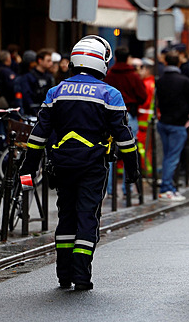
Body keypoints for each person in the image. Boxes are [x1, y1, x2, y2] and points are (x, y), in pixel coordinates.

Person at [20, 35, 140, 291]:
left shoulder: (56, 92)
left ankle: (63, 274)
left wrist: (28, 166)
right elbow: (124, 136)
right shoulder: (110, 93)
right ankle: (81, 276)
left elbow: (38, 134)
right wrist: (132, 167)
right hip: (93, 165)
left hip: (61, 164)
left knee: (66, 216)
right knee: (87, 217)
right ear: (101, 63)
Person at [156, 50, 189, 201]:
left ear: (165, 62)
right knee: (172, 158)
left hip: (163, 121)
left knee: (167, 156)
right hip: (178, 124)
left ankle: (169, 186)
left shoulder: (160, 80)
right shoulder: (183, 81)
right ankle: (166, 188)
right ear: (178, 63)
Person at [105, 46, 147, 137]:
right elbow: (143, 96)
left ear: (115, 58)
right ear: (128, 59)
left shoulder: (108, 75)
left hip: (111, 113)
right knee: (130, 142)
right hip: (129, 113)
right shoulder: (133, 76)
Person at [19, 50, 55, 116]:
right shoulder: (29, 76)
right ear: (40, 61)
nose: (51, 63)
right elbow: (27, 96)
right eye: (48, 61)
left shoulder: (49, 77)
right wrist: (35, 111)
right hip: (32, 112)